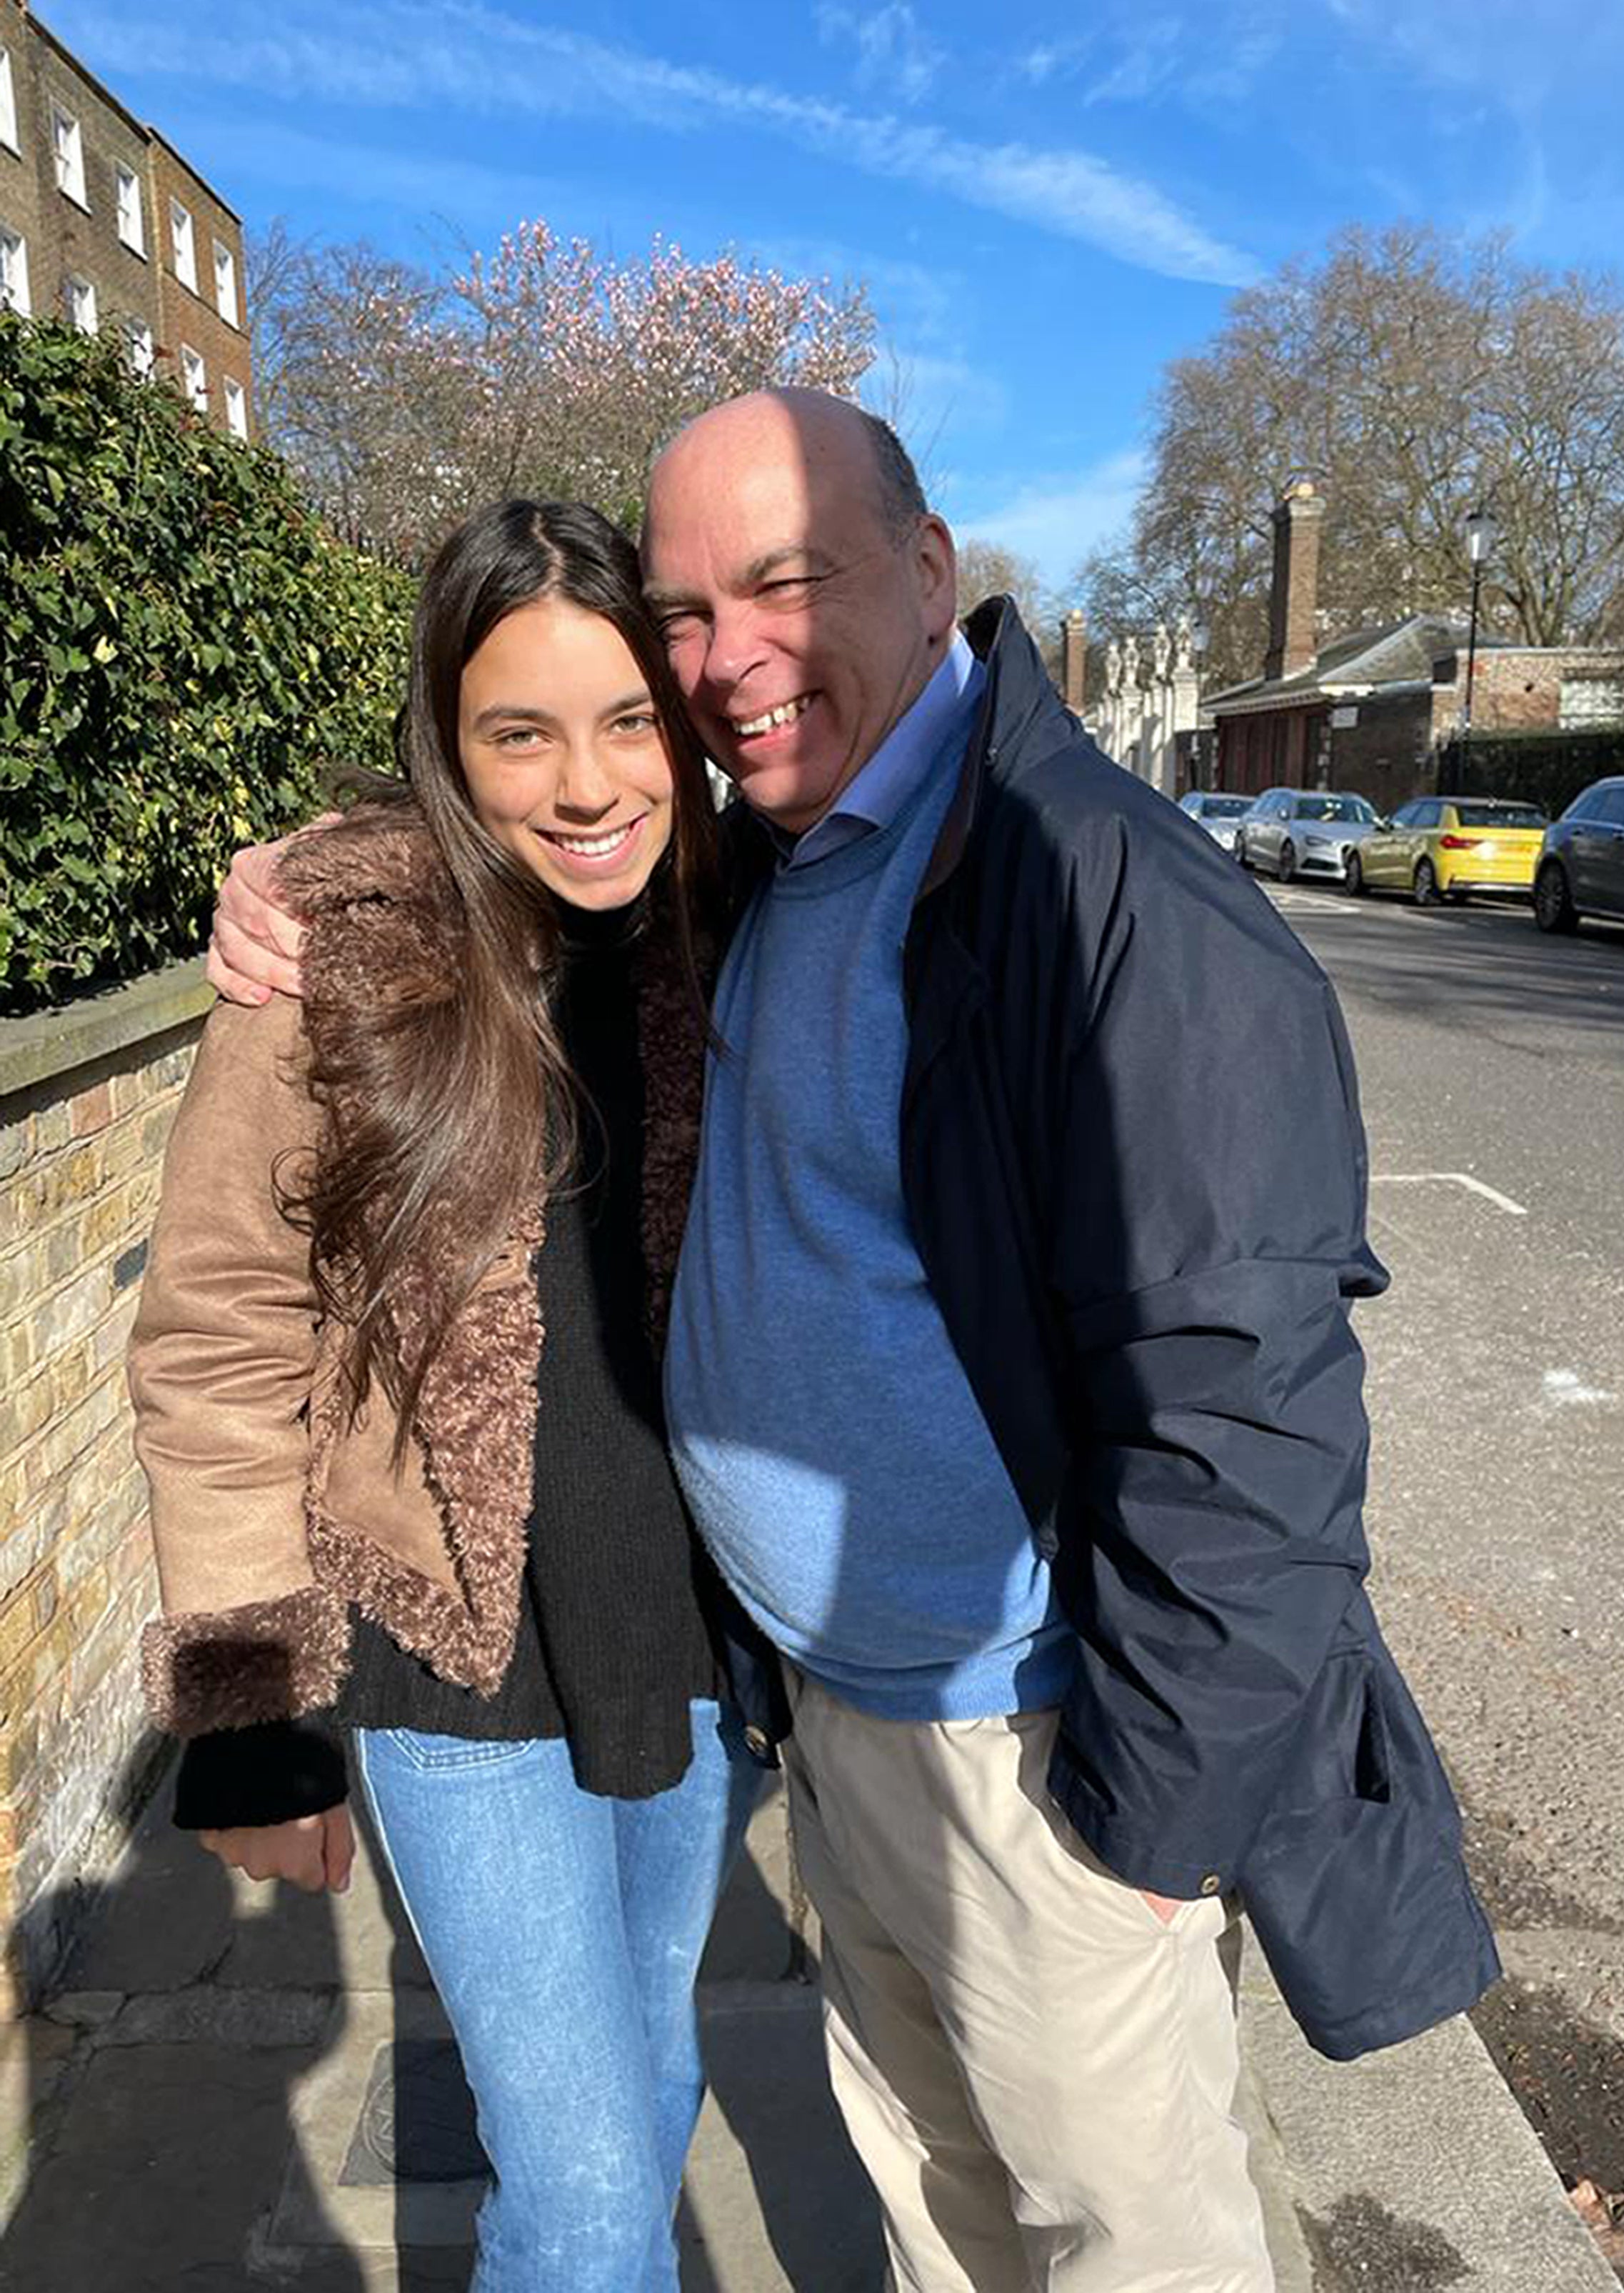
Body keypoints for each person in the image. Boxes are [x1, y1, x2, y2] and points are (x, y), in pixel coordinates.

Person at [212, 393, 1502, 2293]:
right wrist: (300, 871)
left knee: (1110, 2244)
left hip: (1027, 1752)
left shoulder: (1091, 889)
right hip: (787, 1717)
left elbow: (1243, 1420)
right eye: (691, 613)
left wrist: (1137, 1834)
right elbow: (234, 1316)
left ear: (930, 571)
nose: (728, 664)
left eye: (788, 582)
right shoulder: (763, 864)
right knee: (922, 2206)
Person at [131, 498, 764, 2293]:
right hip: (456, 1669)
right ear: (448, 739)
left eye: (628, 719)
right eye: (520, 731)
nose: (585, 784)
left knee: (648, 2093)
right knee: (578, 2209)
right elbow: (218, 1339)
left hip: (689, 1655)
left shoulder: (739, 929)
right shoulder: (339, 964)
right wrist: (250, 1715)